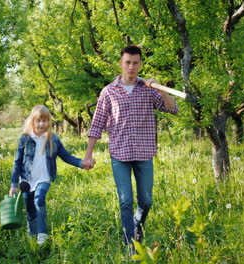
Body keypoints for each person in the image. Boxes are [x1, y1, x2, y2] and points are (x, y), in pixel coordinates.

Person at [83, 45, 178, 254]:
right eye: (128, 62)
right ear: (121, 64)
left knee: (146, 200)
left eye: (135, 63)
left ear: (140, 64)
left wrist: (160, 88)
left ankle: (136, 225)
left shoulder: (148, 90)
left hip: (144, 153)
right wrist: (88, 153)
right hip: (120, 154)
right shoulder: (108, 92)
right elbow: (97, 123)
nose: (131, 66)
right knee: (125, 200)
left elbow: (172, 108)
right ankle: (130, 245)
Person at [9, 105, 94, 245]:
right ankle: (32, 236)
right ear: (32, 122)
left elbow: (66, 156)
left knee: (39, 200)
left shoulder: (53, 139)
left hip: (44, 178)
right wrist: (13, 184)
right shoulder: (24, 139)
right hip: (27, 180)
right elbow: (17, 162)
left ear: (49, 122)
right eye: (38, 120)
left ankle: (42, 234)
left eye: (45, 120)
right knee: (30, 210)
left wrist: (81, 163)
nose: (42, 124)